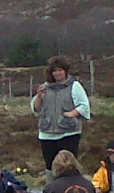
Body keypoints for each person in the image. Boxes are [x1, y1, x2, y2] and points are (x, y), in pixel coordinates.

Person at [31, 55, 91, 184]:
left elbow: (84, 106)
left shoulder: (74, 86)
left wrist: (71, 114)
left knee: (68, 166)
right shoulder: (45, 87)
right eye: (54, 71)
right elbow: (36, 109)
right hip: (47, 134)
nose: (57, 73)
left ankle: (70, 189)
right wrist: (39, 97)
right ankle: (52, 191)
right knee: (50, 167)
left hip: (68, 133)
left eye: (60, 70)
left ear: (65, 71)